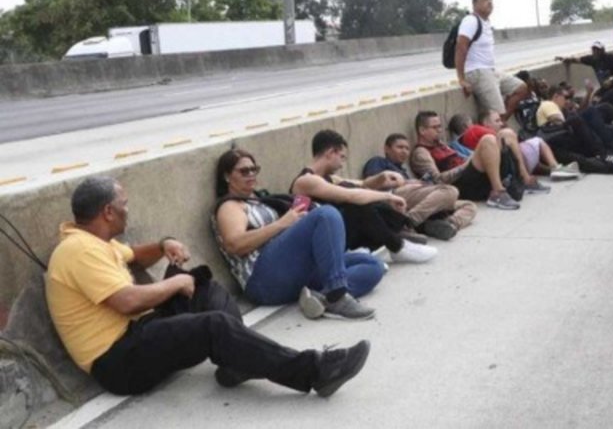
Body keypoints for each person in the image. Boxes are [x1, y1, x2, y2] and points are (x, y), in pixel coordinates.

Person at [47, 176, 371, 397]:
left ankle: (239, 359)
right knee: (212, 324)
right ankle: (314, 372)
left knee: (203, 284)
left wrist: (163, 244)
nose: (128, 210)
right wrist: (175, 281)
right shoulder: (79, 251)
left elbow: (133, 255)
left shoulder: (96, 241)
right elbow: (127, 301)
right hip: (118, 362)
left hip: (136, 334)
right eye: (125, 204)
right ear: (107, 211)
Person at [214, 149, 381, 321]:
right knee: (326, 214)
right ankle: (337, 295)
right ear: (227, 177)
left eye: (253, 169)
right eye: (243, 171)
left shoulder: (259, 198)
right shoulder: (230, 206)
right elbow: (235, 245)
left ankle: (319, 297)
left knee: (373, 265)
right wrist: (281, 224)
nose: (250, 174)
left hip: (291, 273)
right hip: (262, 280)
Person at [292, 130, 438, 264]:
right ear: (331, 152)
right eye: (342, 157)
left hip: (338, 234)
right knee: (357, 205)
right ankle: (398, 247)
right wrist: (388, 196)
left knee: (372, 203)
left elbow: (362, 184)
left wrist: (382, 177)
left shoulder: (329, 178)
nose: (342, 164)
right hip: (320, 241)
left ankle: (383, 243)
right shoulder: (306, 180)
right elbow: (352, 195)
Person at [361, 133, 477, 241]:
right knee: (450, 191)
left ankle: (446, 223)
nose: (404, 152)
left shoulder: (403, 169)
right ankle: (406, 223)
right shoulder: (378, 162)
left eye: (407, 149)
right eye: (400, 147)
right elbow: (372, 184)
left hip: (414, 199)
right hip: (394, 195)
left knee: (469, 206)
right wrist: (406, 182)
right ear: (387, 149)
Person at [409, 110, 522, 210]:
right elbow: (438, 181)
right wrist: (467, 164)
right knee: (488, 140)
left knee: (506, 134)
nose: (439, 130)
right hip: (460, 184)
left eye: (440, 126)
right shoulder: (421, 153)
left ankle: (525, 178)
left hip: (471, 175)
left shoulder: (440, 144)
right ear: (422, 130)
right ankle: (497, 192)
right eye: (435, 127)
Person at [456, 0, 529, 120]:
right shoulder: (471, 20)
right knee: (497, 115)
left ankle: (500, 122)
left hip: (490, 70)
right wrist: (462, 79)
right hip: (477, 72)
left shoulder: (486, 22)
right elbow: (461, 48)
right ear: (474, 5)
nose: (489, 2)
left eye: (491, 0)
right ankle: (498, 125)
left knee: (521, 88)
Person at [471, 109, 580, 181]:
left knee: (533, 149)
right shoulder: (488, 137)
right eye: (497, 121)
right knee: (538, 140)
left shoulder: (489, 136)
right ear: (486, 124)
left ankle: (554, 169)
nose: (501, 123)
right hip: (514, 163)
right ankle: (555, 167)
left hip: (519, 162)